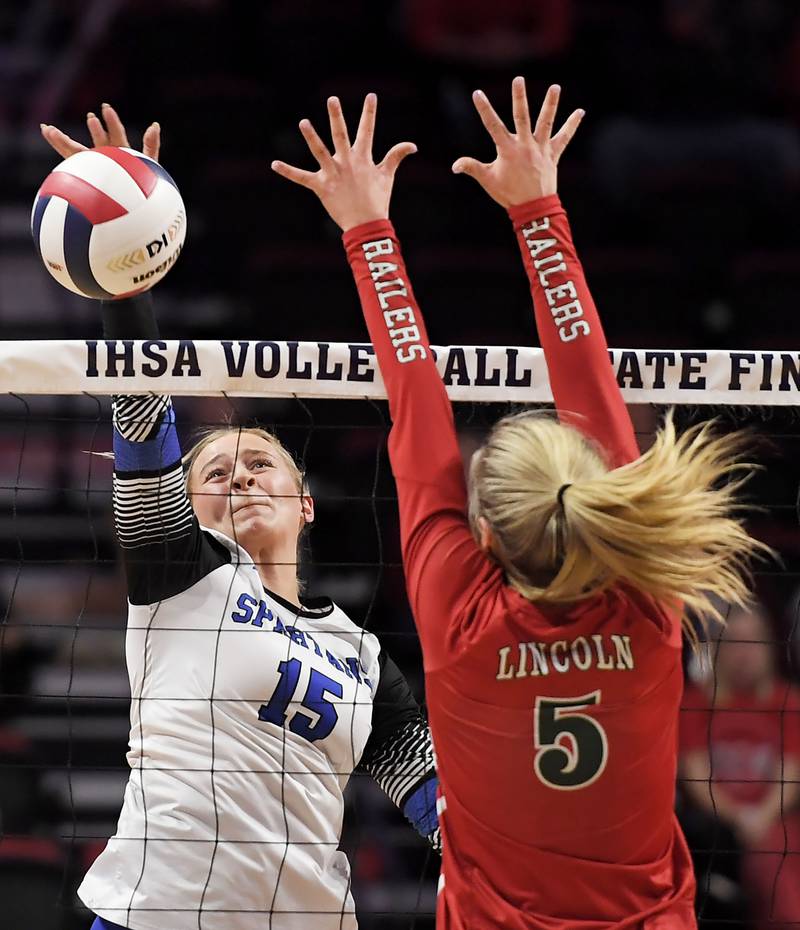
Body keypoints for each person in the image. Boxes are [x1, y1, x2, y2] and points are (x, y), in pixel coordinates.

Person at [273, 78, 769, 927]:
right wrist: (535, 211)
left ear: (485, 530)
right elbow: (564, 388)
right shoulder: (648, 600)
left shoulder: (468, 618)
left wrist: (370, 230)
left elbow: (416, 398)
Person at [40, 106, 440, 930]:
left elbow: (441, 809)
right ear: (189, 503)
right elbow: (145, 425)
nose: (241, 476)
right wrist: (128, 285)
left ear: (306, 502)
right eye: (216, 472)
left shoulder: (363, 656)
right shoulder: (180, 574)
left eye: (262, 463)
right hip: (151, 917)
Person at [681, 604, 800, 930]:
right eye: (735, 643)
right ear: (718, 647)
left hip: (774, 821)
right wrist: (738, 819)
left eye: (754, 642)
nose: (745, 654)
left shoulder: (787, 702)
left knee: (779, 853)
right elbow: (694, 774)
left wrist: (760, 818)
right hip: (715, 825)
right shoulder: (695, 702)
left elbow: (790, 774)